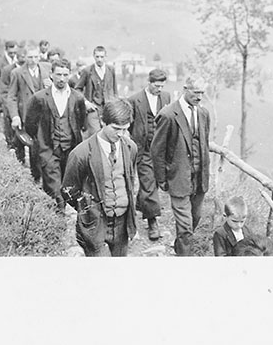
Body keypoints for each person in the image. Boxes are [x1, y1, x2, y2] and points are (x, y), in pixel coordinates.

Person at [61, 98, 137, 257]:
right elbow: (68, 191)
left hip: (122, 224)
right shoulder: (81, 153)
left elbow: (130, 181)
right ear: (103, 121)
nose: (121, 134)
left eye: (125, 129)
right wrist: (87, 208)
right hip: (94, 224)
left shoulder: (130, 147)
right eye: (116, 129)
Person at [151, 75, 210, 256]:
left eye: (202, 92)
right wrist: (162, 179)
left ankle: (180, 248)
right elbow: (157, 150)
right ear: (185, 89)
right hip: (178, 179)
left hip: (199, 180)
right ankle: (184, 262)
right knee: (185, 228)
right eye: (196, 92)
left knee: (195, 218)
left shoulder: (203, 114)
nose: (199, 97)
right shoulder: (168, 114)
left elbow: (204, 144)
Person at [24, 59, 86, 210]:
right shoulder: (39, 98)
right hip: (49, 150)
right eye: (58, 74)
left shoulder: (77, 98)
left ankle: (66, 213)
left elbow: (80, 122)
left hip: (70, 150)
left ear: (69, 75)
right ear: (51, 74)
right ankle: (59, 217)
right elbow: (30, 125)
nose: (62, 79)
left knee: (68, 186)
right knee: (54, 188)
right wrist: (42, 142)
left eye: (65, 75)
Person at [128, 69, 171, 240]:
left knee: (155, 181)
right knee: (148, 181)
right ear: (149, 82)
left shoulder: (166, 97)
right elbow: (129, 125)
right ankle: (152, 221)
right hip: (143, 149)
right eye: (156, 85)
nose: (159, 89)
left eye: (162, 86)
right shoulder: (134, 99)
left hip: (161, 149)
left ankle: (141, 204)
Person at [7, 46, 52, 181]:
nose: (33, 60)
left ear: (39, 57)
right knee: (33, 147)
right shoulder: (17, 73)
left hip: (45, 114)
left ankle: (48, 178)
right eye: (30, 57)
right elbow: (11, 97)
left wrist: (51, 85)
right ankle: (36, 178)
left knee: (47, 146)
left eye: (36, 57)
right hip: (28, 116)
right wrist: (15, 116)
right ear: (25, 57)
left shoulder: (47, 69)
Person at [74, 45, 118, 136]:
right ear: (93, 56)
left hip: (109, 108)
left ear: (106, 57)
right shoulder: (87, 71)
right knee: (96, 135)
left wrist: (115, 105)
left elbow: (115, 89)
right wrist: (86, 103)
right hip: (93, 109)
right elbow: (77, 89)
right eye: (97, 57)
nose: (99, 59)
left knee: (109, 134)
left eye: (102, 57)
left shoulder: (111, 70)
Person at [0, 47, 27, 156]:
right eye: (20, 56)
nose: (23, 59)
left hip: (25, 109)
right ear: (17, 57)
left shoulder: (31, 71)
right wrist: (10, 109)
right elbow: (4, 90)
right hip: (13, 108)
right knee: (13, 138)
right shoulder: (8, 70)